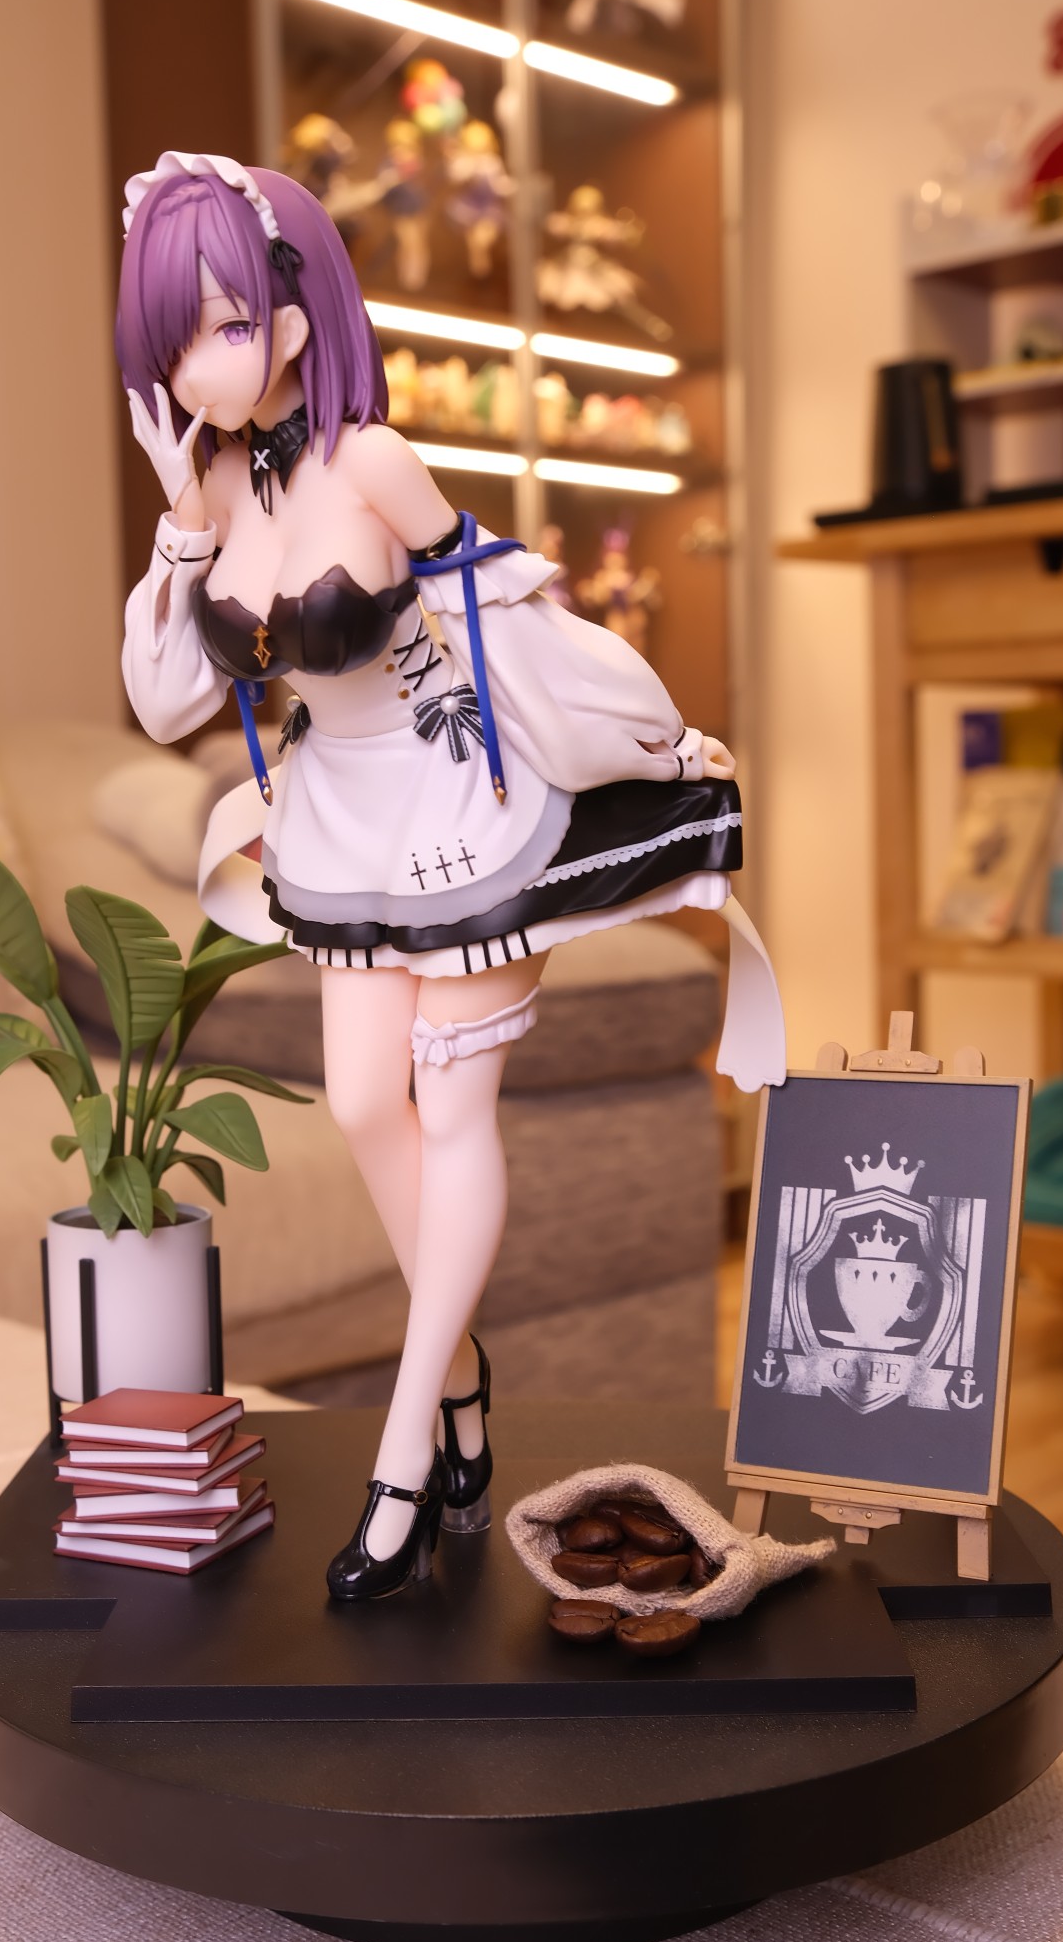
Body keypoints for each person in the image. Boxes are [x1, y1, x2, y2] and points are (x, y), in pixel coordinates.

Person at [116, 151, 785, 1603]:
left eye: (217, 325)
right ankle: (467, 1382)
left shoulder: (374, 462)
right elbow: (165, 705)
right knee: (364, 1104)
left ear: (295, 314)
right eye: (171, 339)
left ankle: (407, 1459)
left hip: (462, 800)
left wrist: (653, 739)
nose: (191, 366)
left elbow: (515, 626)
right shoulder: (218, 486)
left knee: (451, 1107)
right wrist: (179, 525)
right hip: (339, 824)